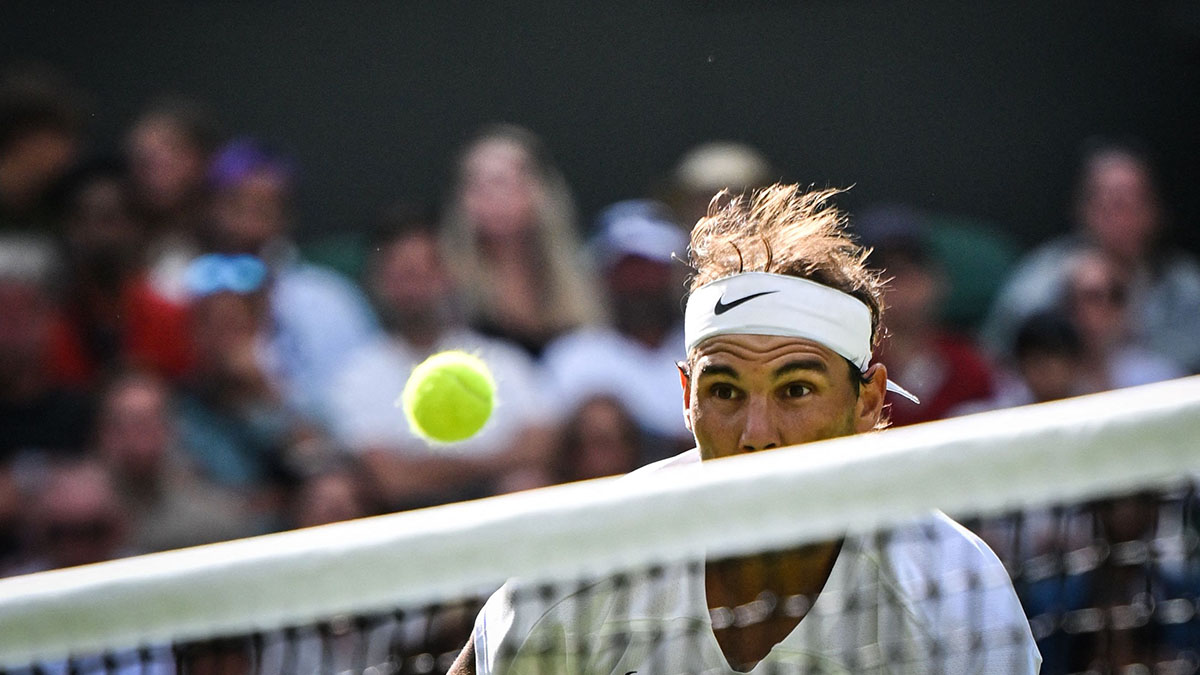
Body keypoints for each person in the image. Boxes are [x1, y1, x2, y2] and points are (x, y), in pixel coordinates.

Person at [450, 185, 1039, 674]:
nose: (758, 433)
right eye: (725, 392)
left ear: (868, 402)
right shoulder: (585, 565)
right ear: (687, 397)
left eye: (797, 390)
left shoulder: (954, 590)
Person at [440, 124, 605, 357]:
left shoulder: (582, 281)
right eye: (475, 185)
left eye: (502, 182)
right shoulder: (446, 282)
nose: (490, 198)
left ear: (539, 191)